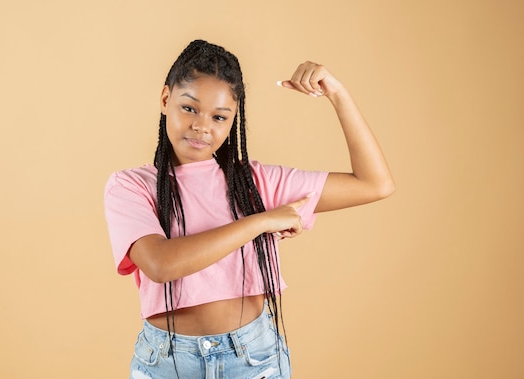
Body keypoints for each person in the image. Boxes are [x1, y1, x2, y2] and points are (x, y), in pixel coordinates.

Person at [103, 39, 394, 379]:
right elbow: (161, 264)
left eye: (219, 116)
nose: (202, 126)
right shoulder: (131, 185)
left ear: (232, 122)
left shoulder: (253, 181)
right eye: (190, 108)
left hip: (253, 361)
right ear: (166, 99)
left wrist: (338, 94)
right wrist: (261, 221)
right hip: (167, 363)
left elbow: (374, 184)